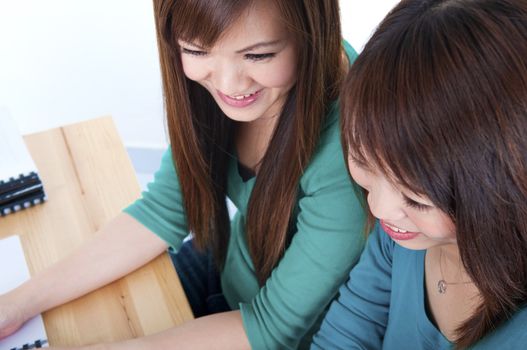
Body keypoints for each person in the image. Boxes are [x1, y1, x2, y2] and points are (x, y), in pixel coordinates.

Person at [0, 0, 366, 349]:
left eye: (258, 55)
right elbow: (163, 210)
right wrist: (17, 304)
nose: (229, 84)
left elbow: (270, 331)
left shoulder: (350, 148)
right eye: (196, 50)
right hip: (229, 271)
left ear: (311, 33)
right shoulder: (212, 91)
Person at [312, 0, 527, 348]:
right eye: (363, 162)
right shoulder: (401, 236)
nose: (378, 207)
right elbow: (347, 331)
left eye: (415, 198)